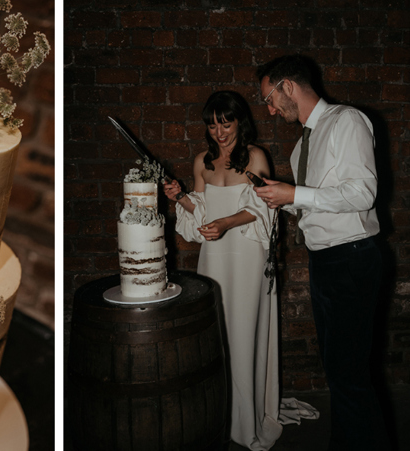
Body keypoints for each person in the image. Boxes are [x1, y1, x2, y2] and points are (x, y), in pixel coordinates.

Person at [254, 55, 389, 450]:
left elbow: (363, 193)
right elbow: (324, 202)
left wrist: (295, 193)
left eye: (270, 98)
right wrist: (284, 199)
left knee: (350, 376)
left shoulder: (346, 121)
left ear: (288, 87)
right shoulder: (301, 147)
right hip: (324, 262)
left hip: (352, 259)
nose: (271, 109)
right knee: (338, 372)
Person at [165, 90, 302, 450]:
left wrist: (226, 222)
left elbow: (262, 208)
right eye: (212, 124)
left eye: (225, 123)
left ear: (240, 121)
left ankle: (247, 419)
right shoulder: (201, 162)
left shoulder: (255, 156)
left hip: (247, 253)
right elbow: (200, 213)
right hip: (214, 256)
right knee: (218, 334)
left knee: (244, 331)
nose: (219, 131)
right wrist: (180, 197)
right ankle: (221, 416)